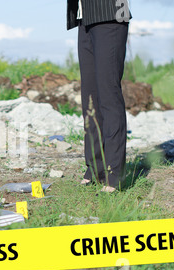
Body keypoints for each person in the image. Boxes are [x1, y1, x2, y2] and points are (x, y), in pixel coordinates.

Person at [67, 0, 131, 192]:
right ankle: (95, 169)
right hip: (85, 18)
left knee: (109, 95)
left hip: (110, 14)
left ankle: (114, 174)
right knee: (90, 99)